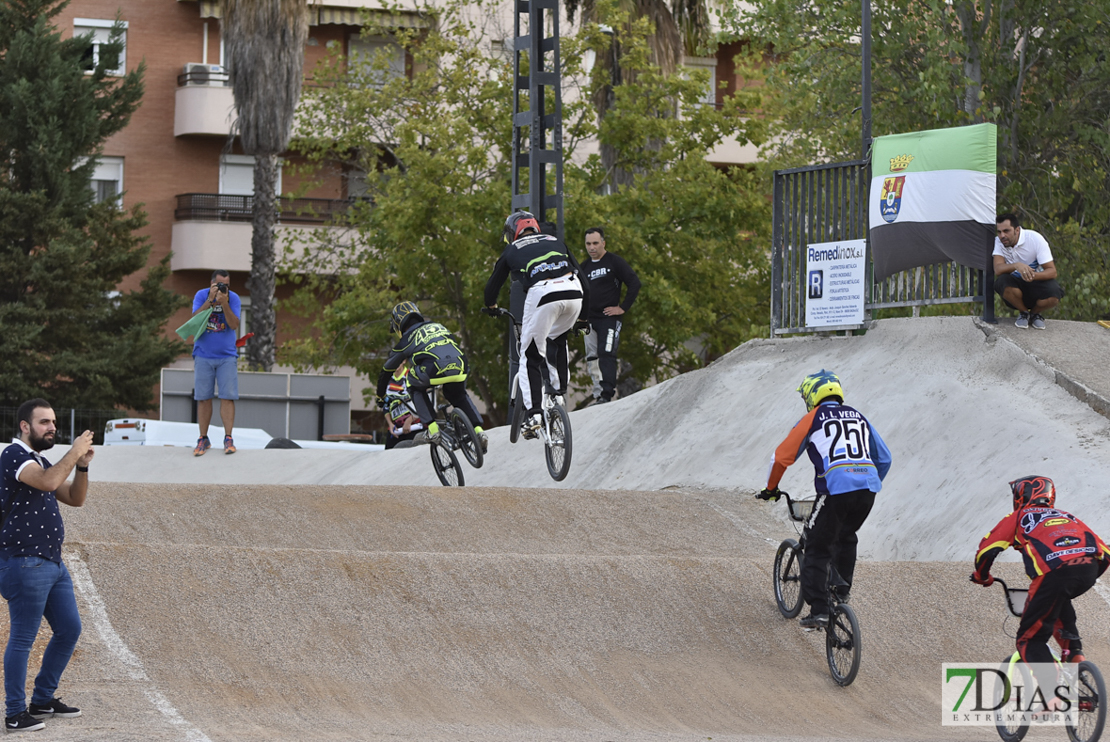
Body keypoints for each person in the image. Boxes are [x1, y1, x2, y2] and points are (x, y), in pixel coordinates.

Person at [757, 370, 892, 628]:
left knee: (817, 547)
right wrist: (866, 482)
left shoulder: (812, 417)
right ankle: (841, 591)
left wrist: (771, 488)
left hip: (836, 490)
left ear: (812, 396)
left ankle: (819, 609)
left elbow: (781, 458)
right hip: (868, 489)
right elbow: (885, 459)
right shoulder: (859, 416)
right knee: (846, 535)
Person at [0, 399, 94, 732]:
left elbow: (75, 498)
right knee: (23, 638)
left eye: (53, 422)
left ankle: (41, 700)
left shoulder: (40, 459)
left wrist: (81, 465)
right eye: (44, 422)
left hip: (52, 563)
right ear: (25, 426)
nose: (52, 427)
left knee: (69, 628)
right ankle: (14, 712)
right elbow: (49, 482)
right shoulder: (14, 456)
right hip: (24, 562)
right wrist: (74, 450)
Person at [971, 476, 1110, 698]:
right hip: (1088, 569)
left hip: (1054, 572)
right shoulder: (1068, 516)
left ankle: (1051, 694)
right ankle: (1075, 656)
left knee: (1029, 639)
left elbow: (987, 550)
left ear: (1021, 496)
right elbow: (1106, 553)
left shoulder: (1018, 516)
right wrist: (1084, 576)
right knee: (1059, 599)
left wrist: (982, 576)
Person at [485, 211, 589, 438]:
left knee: (529, 355)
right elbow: (583, 278)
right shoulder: (556, 241)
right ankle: (558, 394)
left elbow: (493, 285)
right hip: (574, 293)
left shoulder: (512, 249)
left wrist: (491, 306)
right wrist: (583, 318)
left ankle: (534, 414)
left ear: (513, 232)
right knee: (556, 338)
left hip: (543, 294)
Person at [375, 302, 487, 451]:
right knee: (457, 394)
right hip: (461, 365)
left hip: (433, 369)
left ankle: (433, 430)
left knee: (412, 383)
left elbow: (386, 370)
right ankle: (479, 431)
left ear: (398, 325)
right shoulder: (438, 326)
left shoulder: (406, 339)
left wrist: (380, 395)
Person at [582, 227, 640, 404]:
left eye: (595, 243)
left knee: (606, 352)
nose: (592, 247)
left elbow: (634, 283)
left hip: (609, 318)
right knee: (592, 355)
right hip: (589, 319)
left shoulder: (614, 262)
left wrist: (622, 307)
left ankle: (607, 393)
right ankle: (598, 393)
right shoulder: (583, 267)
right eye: (588, 244)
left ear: (603, 243)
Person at [190, 270, 241, 456]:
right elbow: (194, 321)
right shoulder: (200, 295)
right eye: (219, 285)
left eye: (226, 285)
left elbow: (234, 324)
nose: (222, 288)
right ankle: (203, 438)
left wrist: (224, 303)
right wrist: (210, 301)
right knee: (203, 398)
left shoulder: (233, 298)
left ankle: (228, 438)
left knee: (228, 397)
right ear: (211, 283)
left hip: (226, 355)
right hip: (203, 354)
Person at [993, 213, 1065, 330]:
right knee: (1001, 282)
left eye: (1006, 231)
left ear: (1017, 230)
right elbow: (998, 269)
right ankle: (1024, 313)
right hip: (1015, 288)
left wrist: (1032, 275)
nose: (1002, 236)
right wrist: (1017, 266)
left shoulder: (1035, 239)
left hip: (1035, 283)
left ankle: (1035, 314)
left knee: (1055, 293)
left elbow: (1052, 271)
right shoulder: (999, 242)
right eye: (999, 232)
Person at [382, 362, 423, 450]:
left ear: (403, 361)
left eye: (397, 360)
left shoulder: (411, 376)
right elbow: (385, 406)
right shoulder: (386, 379)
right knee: (388, 457)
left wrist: (409, 420)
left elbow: (423, 401)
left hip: (415, 425)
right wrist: (390, 424)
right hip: (396, 428)